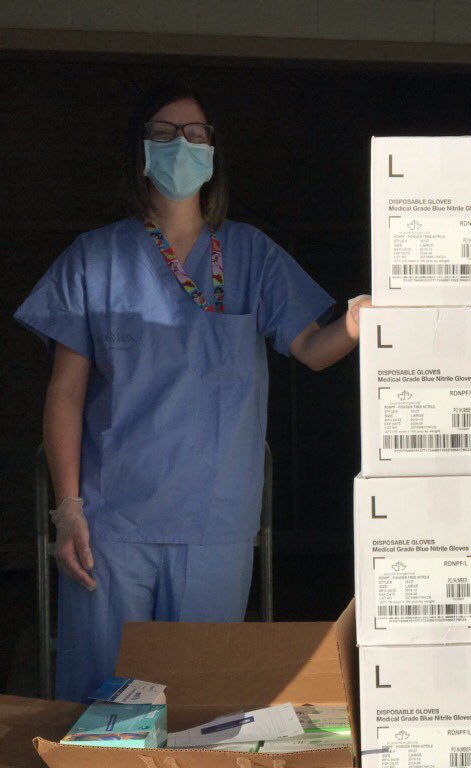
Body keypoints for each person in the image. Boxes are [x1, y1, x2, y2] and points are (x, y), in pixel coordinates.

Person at [14, 84, 370, 702]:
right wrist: (68, 510)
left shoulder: (251, 255)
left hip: (214, 523)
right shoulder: (95, 259)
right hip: (112, 525)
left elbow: (312, 350)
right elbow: (65, 394)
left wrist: (356, 323)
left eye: (195, 134)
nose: (181, 145)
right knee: (104, 705)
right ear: (139, 150)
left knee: (197, 702)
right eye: (163, 133)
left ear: (214, 152)